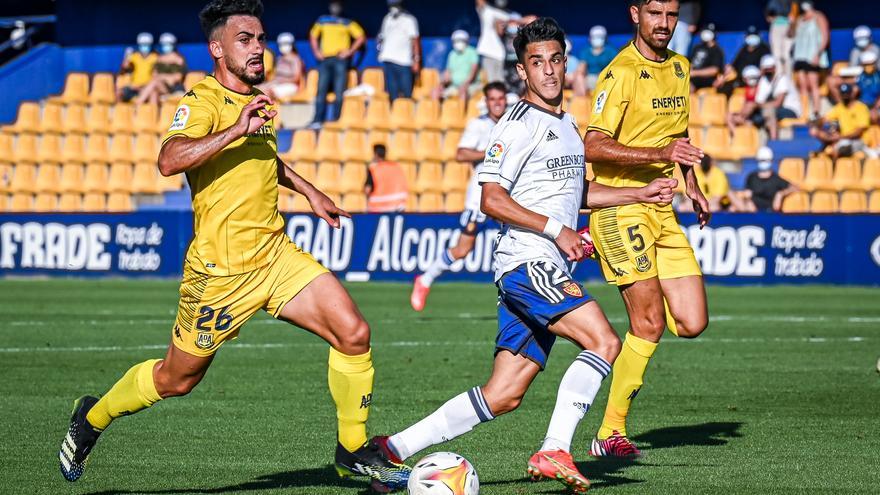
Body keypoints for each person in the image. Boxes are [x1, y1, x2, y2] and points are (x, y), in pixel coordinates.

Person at [57, 1, 410, 491]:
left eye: (261, 38)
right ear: (217, 49)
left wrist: (310, 191)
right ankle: (91, 418)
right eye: (246, 39)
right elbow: (169, 159)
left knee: (353, 333)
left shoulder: (259, 101)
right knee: (176, 379)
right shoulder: (200, 101)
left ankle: (352, 453)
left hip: (274, 254)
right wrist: (236, 128)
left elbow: (264, 158)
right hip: (220, 272)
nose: (258, 47)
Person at [376, 18, 679, 493]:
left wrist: (642, 194)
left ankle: (388, 451)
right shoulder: (516, 125)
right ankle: (555, 447)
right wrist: (558, 232)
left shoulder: (567, 124)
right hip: (526, 262)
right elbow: (490, 198)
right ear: (523, 70)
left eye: (555, 60)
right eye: (537, 63)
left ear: (565, 62)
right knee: (603, 341)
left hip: (540, 264)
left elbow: (578, 191)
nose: (549, 71)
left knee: (503, 394)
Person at [584, 0, 711, 458]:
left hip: (663, 206)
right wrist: (660, 157)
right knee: (651, 322)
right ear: (635, 14)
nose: (664, 24)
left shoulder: (680, 67)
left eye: (672, 14)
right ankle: (609, 432)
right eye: (656, 13)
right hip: (620, 209)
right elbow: (592, 146)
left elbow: (679, 136)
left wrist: (692, 184)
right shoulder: (619, 72)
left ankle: (640, 328)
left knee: (693, 322)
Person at [411, 82, 508, 311]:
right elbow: (461, 153)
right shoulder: (478, 125)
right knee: (463, 249)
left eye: (501, 99)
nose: (497, 103)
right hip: (480, 195)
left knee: (517, 238)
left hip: (505, 192)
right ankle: (425, 279)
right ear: (486, 102)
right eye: (493, 99)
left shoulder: (510, 123)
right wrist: (489, 153)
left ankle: (516, 294)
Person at [309, 0, 366, 128]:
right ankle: (317, 120)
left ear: (341, 7)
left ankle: (336, 120)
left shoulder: (348, 22)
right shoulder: (322, 20)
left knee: (339, 91)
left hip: (341, 60)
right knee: (321, 90)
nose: (335, 7)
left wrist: (350, 51)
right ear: (330, 6)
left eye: (338, 5)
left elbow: (361, 37)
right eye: (333, 5)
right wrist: (316, 52)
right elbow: (313, 36)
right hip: (325, 60)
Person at [811, 82, 873, 159]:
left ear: (851, 93)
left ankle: (833, 165)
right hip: (843, 139)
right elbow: (825, 119)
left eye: (847, 93)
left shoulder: (861, 108)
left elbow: (859, 132)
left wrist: (841, 137)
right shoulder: (840, 107)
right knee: (819, 136)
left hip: (860, 140)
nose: (845, 96)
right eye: (843, 94)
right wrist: (815, 123)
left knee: (840, 149)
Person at [791, 0, 829, 118]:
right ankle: (805, 113)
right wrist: (791, 23)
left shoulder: (819, 16)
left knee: (813, 84)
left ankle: (816, 112)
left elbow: (825, 37)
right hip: (800, 56)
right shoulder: (799, 19)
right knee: (803, 85)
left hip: (812, 55)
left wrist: (818, 54)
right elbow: (791, 35)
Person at [378, 0, 421, 101]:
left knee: (407, 94)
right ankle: (395, 115)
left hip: (404, 61)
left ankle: (407, 115)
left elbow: (415, 40)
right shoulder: (387, 18)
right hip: (388, 60)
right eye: (391, 5)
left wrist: (416, 60)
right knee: (392, 94)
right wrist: (380, 50)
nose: (393, 7)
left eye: (396, 5)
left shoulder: (409, 20)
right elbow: (381, 37)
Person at [753, 54, 802, 139]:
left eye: (770, 68)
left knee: (770, 112)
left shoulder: (782, 79)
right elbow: (758, 101)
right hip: (772, 110)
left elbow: (778, 103)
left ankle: (773, 141)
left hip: (790, 110)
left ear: (774, 68)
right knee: (755, 117)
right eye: (766, 69)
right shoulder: (763, 81)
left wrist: (761, 105)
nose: (768, 71)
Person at [136, 32, 188, 105]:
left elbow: (177, 78)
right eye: (163, 44)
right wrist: (165, 77)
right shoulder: (159, 59)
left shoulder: (178, 59)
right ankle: (152, 114)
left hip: (174, 89)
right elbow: (154, 74)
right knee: (154, 93)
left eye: (167, 44)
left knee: (155, 82)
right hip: (161, 86)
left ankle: (138, 103)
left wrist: (162, 77)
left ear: (173, 45)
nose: (165, 46)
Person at [719, 25, 771, 95]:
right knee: (724, 88)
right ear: (746, 37)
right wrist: (724, 75)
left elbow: (768, 66)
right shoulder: (744, 49)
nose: (752, 38)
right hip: (742, 79)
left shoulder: (764, 49)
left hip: (757, 78)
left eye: (754, 35)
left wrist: (758, 75)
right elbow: (733, 65)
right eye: (750, 36)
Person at [742, 146, 798, 211]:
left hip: (771, 214)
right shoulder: (752, 177)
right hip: (754, 214)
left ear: (771, 161)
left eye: (766, 160)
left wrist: (781, 194)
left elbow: (794, 187)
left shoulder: (776, 179)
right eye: (761, 160)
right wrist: (747, 200)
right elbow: (746, 194)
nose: (763, 162)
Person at [433, 30, 480, 101]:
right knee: (435, 92)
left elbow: (473, 72)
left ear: (466, 41)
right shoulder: (452, 54)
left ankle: (461, 111)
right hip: (454, 86)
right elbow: (448, 73)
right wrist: (442, 84)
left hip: (471, 85)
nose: (458, 43)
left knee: (462, 91)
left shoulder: (472, 52)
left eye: (461, 40)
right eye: (456, 40)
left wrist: (465, 84)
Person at [476, 0, 515, 84]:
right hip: (487, 52)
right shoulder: (487, 10)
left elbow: (501, 31)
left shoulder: (507, 15)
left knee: (500, 83)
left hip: (501, 55)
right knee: (490, 84)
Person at [258, 32, 304, 101]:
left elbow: (296, 78)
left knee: (268, 92)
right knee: (258, 89)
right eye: (281, 44)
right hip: (276, 83)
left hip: (290, 85)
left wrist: (282, 81)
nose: (283, 46)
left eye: (286, 43)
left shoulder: (295, 59)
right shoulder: (279, 58)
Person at [575, 25, 618, 95]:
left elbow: (616, 67)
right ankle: (582, 101)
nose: (597, 39)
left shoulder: (611, 51)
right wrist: (580, 73)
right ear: (589, 38)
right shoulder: (585, 51)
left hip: (606, 78)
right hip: (590, 78)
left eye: (600, 36)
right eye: (595, 36)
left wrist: (603, 74)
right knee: (578, 77)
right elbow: (581, 68)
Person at [365, 144, 408, 212]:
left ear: (375, 154)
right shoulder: (397, 167)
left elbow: (367, 189)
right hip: (398, 207)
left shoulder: (374, 168)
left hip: (378, 209)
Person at [118, 32, 158, 102]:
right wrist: (127, 56)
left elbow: (156, 76)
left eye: (147, 45)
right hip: (133, 87)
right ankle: (119, 111)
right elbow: (124, 68)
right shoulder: (134, 56)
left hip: (146, 88)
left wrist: (143, 87)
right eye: (142, 45)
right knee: (119, 93)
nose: (144, 47)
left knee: (153, 94)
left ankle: (149, 111)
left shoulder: (155, 57)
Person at [725, 65, 763, 133]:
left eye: (754, 78)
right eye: (750, 78)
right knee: (728, 116)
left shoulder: (761, 88)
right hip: (745, 116)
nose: (752, 80)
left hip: (757, 115)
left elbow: (757, 104)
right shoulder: (745, 89)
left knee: (750, 105)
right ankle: (737, 136)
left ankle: (744, 125)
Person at [689, 24, 724, 91]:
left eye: (708, 32)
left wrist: (694, 73)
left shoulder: (717, 50)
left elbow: (714, 70)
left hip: (707, 80)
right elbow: (691, 64)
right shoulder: (697, 47)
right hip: (691, 78)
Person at [765, 0, 794, 77]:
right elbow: (768, 16)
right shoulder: (773, 2)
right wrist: (773, 18)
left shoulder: (792, 3)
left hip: (789, 26)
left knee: (787, 55)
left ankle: (788, 77)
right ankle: (779, 76)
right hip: (776, 27)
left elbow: (795, 15)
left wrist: (791, 25)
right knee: (777, 54)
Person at [856, 51, 880, 124]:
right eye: (866, 64)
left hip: (876, 106)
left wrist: (875, 107)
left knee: (873, 116)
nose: (868, 66)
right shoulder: (859, 76)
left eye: (870, 64)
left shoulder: (878, 76)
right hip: (862, 105)